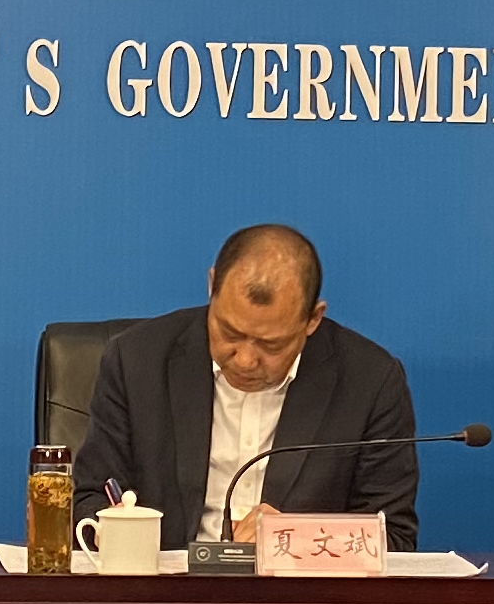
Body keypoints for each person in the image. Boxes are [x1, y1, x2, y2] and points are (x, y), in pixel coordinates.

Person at [79, 223, 419, 550]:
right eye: (229, 333)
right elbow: (89, 498)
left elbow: (392, 535)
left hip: (295, 587)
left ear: (313, 319)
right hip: (168, 584)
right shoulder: (138, 361)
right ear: (212, 285)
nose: (244, 360)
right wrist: (117, 531)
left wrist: (295, 538)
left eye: (271, 345)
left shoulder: (369, 381)